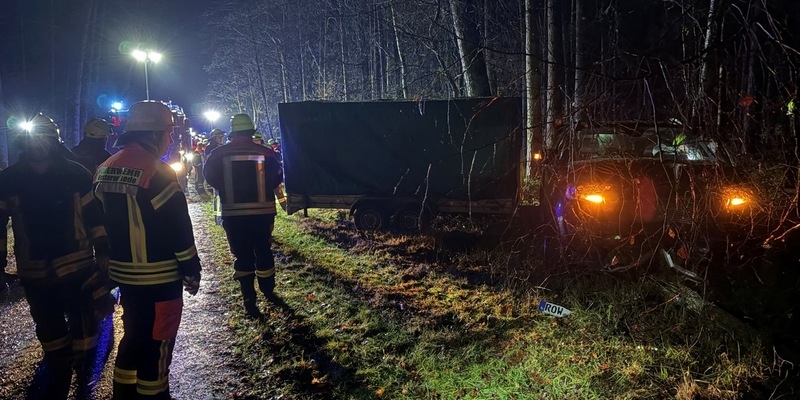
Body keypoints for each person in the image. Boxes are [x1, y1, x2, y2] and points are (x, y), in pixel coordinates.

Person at [94, 100, 201, 400]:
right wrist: (192, 269)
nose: (169, 139)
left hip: (125, 277)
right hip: (160, 278)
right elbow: (179, 228)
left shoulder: (106, 168)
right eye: (168, 132)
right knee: (159, 342)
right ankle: (156, 396)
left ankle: (124, 394)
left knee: (134, 336)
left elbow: (98, 220)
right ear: (154, 134)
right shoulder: (158, 171)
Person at [0, 114, 111, 399]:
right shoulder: (9, 180)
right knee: (50, 331)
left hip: (77, 266)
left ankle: (84, 375)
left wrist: (103, 254)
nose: (38, 147)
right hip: (35, 272)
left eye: (43, 141)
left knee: (84, 327)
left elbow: (94, 218)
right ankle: (60, 372)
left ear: (53, 142)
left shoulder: (76, 175)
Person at [204, 113, 282, 319]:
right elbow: (277, 178)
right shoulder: (267, 153)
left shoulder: (218, 154)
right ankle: (267, 289)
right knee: (263, 250)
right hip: (263, 213)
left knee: (242, 255)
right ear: (250, 130)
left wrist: (226, 189)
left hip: (234, 214)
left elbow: (209, 176)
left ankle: (248, 297)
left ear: (232, 131)